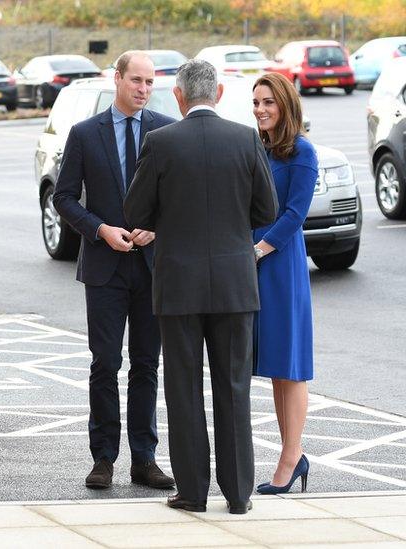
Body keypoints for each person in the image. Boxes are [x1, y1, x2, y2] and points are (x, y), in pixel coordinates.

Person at [123, 59, 278, 514]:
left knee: (184, 389)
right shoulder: (246, 139)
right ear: (221, 93)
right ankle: (238, 495)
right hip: (234, 284)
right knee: (233, 388)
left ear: (178, 96)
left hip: (179, 286)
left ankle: (192, 492)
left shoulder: (161, 142)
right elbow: (266, 210)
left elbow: (135, 211)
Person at [53, 51, 177, 491]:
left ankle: (144, 459)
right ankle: (103, 458)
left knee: (147, 365)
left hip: (150, 267)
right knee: (105, 364)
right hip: (104, 266)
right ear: (117, 78)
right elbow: (64, 198)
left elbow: (176, 197)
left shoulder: (166, 130)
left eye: (150, 82)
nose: (144, 89)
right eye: (137, 81)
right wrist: (99, 229)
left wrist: (155, 229)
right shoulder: (85, 134)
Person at [250, 72, 316, 495]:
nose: (260, 109)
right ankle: (291, 453)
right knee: (275, 365)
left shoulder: (302, 153)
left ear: (286, 105)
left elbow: (295, 215)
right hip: (253, 261)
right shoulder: (259, 148)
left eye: (268, 102)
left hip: (280, 264)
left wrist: (259, 249)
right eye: (256, 102)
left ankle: (291, 458)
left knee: (290, 368)